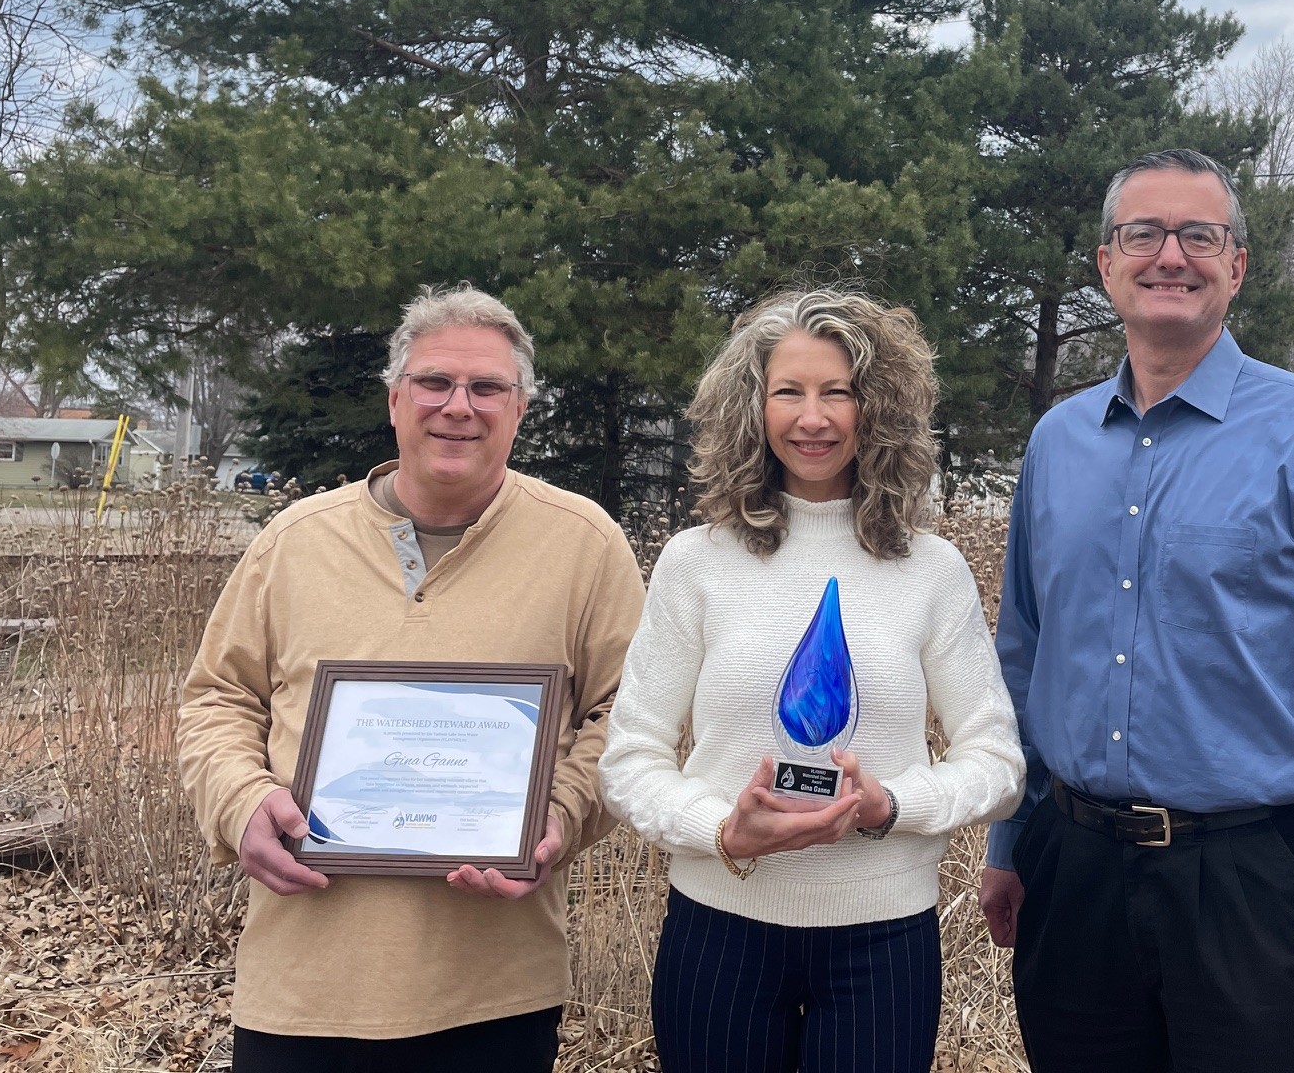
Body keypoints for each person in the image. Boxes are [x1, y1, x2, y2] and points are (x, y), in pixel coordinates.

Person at [977, 149, 1294, 1073]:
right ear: (1106, 264)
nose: (1171, 255)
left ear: (1237, 266)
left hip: (1249, 882)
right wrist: (1010, 835)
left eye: (1201, 235)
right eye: (1143, 233)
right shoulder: (1057, 443)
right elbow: (1025, 654)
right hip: (1070, 871)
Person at [179, 285, 646, 1072]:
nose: (458, 407)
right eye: (434, 382)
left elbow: (630, 715)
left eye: (487, 387)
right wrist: (241, 801)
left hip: (494, 988)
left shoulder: (585, 543)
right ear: (395, 399)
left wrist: (561, 815)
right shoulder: (295, 540)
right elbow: (217, 699)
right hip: (304, 985)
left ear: (520, 408)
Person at [601, 289, 1025, 1073]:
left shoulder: (931, 571)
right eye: (788, 392)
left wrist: (891, 806)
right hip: (719, 929)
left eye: (839, 392)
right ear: (751, 410)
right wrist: (721, 830)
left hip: (883, 944)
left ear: (880, 409)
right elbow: (629, 762)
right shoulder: (696, 563)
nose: (813, 418)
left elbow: (997, 764)